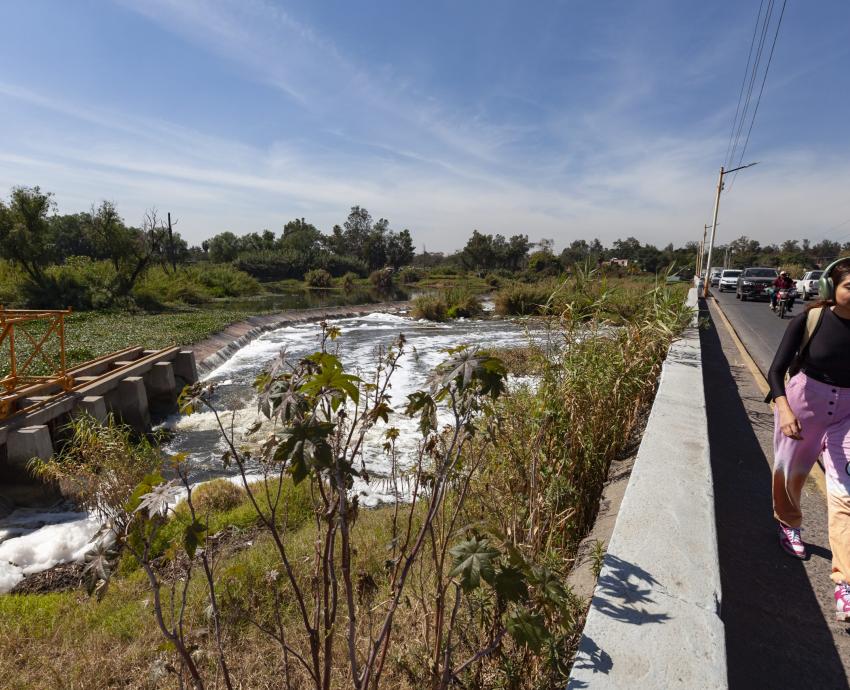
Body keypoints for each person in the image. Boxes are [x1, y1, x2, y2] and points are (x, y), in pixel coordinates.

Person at [767, 258, 850, 620]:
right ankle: (789, 524)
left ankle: (845, 580)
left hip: (846, 413)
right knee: (790, 472)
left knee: (845, 491)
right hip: (803, 403)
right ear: (832, 289)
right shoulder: (812, 318)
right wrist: (784, 410)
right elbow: (775, 370)